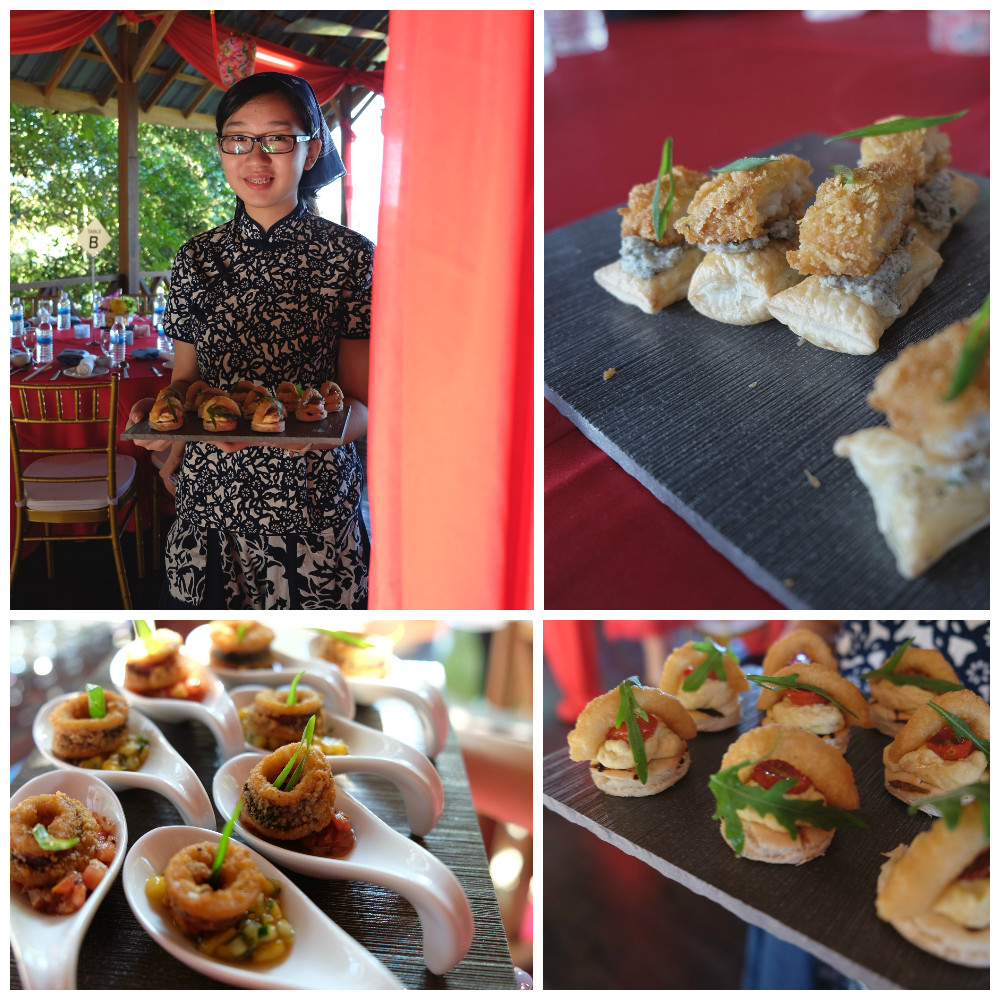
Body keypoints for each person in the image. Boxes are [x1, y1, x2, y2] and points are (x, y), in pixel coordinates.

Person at [126, 72, 371, 609]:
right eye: (237, 139)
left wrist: (300, 434)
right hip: (211, 500)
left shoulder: (351, 256)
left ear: (310, 152)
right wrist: (160, 423)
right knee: (208, 665)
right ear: (221, 150)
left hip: (312, 506)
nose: (255, 158)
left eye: (277, 139)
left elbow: (363, 406)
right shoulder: (195, 259)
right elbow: (185, 384)